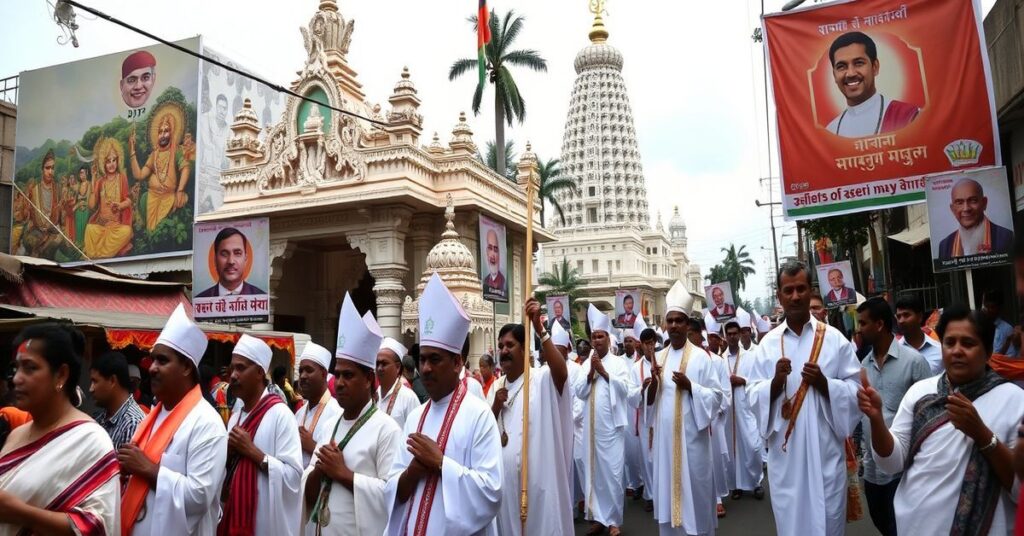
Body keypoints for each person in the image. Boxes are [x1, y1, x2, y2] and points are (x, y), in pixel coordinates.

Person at [861, 303, 1024, 534]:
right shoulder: (920, 393)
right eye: (949, 343)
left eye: (968, 343)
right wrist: (877, 420)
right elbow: (892, 463)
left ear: (988, 352)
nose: (957, 351)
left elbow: (1020, 491)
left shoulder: (1015, 401)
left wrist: (982, 434)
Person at [747, 261, 862, 535]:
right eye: (789, 290)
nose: (795, 296)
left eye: (801, 289)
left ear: (810, 291)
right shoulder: (768, 345)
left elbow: (856, 391)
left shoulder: (834, 339)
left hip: (825, 453)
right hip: (786, 460)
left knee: (828, 521)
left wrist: (825, 384)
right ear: (779, 296)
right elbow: (752, 396)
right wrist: (775, 383)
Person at [384, 273, 502, 535]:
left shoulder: (479, 415)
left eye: (435, 359)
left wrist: (440, 463)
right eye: (422, 358)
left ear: (458, 363)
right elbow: (393, 488)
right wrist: (414, 470)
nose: (425, 368)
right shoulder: (416, 417)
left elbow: (491, 492)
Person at [0, 324, 119, 535]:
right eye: (15, 368)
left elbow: (97, 526)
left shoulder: (91, 440)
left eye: (30, 367)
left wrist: (20, 513)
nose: (17, 378)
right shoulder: (16, 434)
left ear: (61, 375)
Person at [119, 304, 228, 535]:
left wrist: (149, 470)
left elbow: (199, 496)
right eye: (153, 360)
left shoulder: (206, 422)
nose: (152, 369)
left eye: (162, 361)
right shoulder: (152, 416)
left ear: (187, 367)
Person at [301, 294, 401, 536]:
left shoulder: (386, 429)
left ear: (368, 380)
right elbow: (310, 490)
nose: (340, 383)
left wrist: (344, 474)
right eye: (338, 375)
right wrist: (318, 472)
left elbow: (392, 495)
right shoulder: (331, 424)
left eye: (349, 375)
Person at [490, 297, 573, 535]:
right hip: (505, 487)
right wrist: (495, 405)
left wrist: (539, 329)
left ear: (525, 348)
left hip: (537, 485)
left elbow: (561, 372)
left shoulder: (541, 379)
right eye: (501, 346)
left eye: (510, 345)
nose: (503, 351)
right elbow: (485, 429)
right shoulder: (495, 387)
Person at [646, 281, 723, 535]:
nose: (675, 326)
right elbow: (650, 403)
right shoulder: (659, 357)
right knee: (669, 498)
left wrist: (692, 387)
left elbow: (716, 398)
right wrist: (653, 383)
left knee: (696, 497)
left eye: (680, 320)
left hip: (693, 445)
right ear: (665, 325)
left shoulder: (701, 357)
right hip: (666, 446)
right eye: (671, 321)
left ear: (688, 324)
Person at [855, 297, 930, 536]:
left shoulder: (914, 362)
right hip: (872, 468)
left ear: (879, 325)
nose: (859, 329)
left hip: (904, 467)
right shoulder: (862, 365)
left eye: (863, 323)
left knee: (901, 527)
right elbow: (861, 414)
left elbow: (929, 414)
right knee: (881, 521)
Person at [220, 334, 302, 536]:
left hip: (265, 524)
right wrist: (227, 456)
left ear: (259, 372)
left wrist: (254, 453)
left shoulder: (281, 415)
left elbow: (293, 477)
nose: (233, 376)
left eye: (241, 368)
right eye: (232, 368)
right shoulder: (235, 418)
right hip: (234, 515)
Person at [576, 304, 635, 536]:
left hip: (611, 430)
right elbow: (579, 392)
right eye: (594, 336)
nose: (597, 340)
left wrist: (604, 372)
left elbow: (627, 391)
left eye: (601, 336)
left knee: (612, 474)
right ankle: (599, 517)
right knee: (595, 475)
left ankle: (613, 521)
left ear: (608, 340)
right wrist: (591, 373)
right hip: (591, 430)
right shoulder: (586, 364)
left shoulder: (619, 363)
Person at [825, 31, 920, 138]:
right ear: (834, 75)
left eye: (858, 63)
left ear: (875, 67)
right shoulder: (831, 132)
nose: (850, 73)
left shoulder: (910, 117)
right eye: (841, 66)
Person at [128, 104, 194, 231]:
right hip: (153, 196)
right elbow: (140, 175)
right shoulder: (154, 154)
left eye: (166, 131)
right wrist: (132, 152)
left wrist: (180, 190)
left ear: (173, 132)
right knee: (150, 226)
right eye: (160, 132)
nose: (163, 135)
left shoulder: (177, 151)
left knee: (181, 200)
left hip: (169, 196)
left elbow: (185, 168)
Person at [723, 321, 764, 500]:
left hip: (746, 407)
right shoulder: (720, 359)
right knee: (732, 449)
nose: (732, 336)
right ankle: (736, 485)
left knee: (753, 446)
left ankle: (756, 482)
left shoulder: (749, 357)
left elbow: (758, 380)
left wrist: (743, 380)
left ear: (739, 335)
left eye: (734, 333)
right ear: (725, 336)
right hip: (728, 410)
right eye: (729, 334)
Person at [937, 179, 1014, 259]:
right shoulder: (945, 246)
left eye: (973, 201)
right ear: (952, 209)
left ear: (984, 203)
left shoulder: (1006, 237)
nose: (966, 208)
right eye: (959, 202)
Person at [294, 342, 341, 468]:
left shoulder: (337, 412)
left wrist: (313, 446)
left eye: (309, 370)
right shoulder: (299, 413)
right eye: (300, 370)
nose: (302, 376)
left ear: (324, 374)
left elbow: (340, 461)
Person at [89, 351, 145, 449]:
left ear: (112, 381)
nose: (91, 389)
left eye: (95, 381)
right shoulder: (99, 418)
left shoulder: (132, 423)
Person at [195, 228, 267, 297]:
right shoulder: (200, 300)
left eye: (237, 253)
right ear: (215, 259)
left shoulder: (261, 297)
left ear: (245, 259)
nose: (231, 261)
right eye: (224, 254)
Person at [632, 327, 658, 512]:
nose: (649, 346)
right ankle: (650, 494)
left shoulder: (663, 360)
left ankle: (663, 492)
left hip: (660, 417)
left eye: (652, 343)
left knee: (660, 456)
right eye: (646, 343)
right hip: (644, 418)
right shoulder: (636, 368)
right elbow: (630, 393)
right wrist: (641, 389)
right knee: (646, 458)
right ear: (641, 345)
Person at [20, 150, 65, 259]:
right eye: (47, 168)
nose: (50, 171)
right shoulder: (34, 190)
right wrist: (26, 206)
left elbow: (62, 219)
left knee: (53, 244)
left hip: (53, 231)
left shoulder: (58, 189)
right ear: (42, 169)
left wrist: (62, 208)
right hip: (36, 230)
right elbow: (25, 217)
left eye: (53, 168)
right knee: (31, 241)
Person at [376, 337, 420, 430]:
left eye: (384, 364)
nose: (379, 368)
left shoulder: (408, 398)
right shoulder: (374, 396)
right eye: (377, 363)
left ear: (397, 367)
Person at [894, 294, 943, 374]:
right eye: (898, 316)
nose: (901, 321)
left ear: (920, 317)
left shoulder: (939, 351)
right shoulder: (894, 352)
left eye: (906, 315)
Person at [982, 291, 1018, 358]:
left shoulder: (1007, 328)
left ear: (999, 308)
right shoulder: (981, 326)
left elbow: (1011, 356)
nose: (989, 310)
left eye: (992, 307)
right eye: (987, 306)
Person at [483, 229, 507, 300]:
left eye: (495, 250)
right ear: (487, 252)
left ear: (499, 254)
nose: (493, 255)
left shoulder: (503, 280)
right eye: (490, 248)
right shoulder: (485, 280)